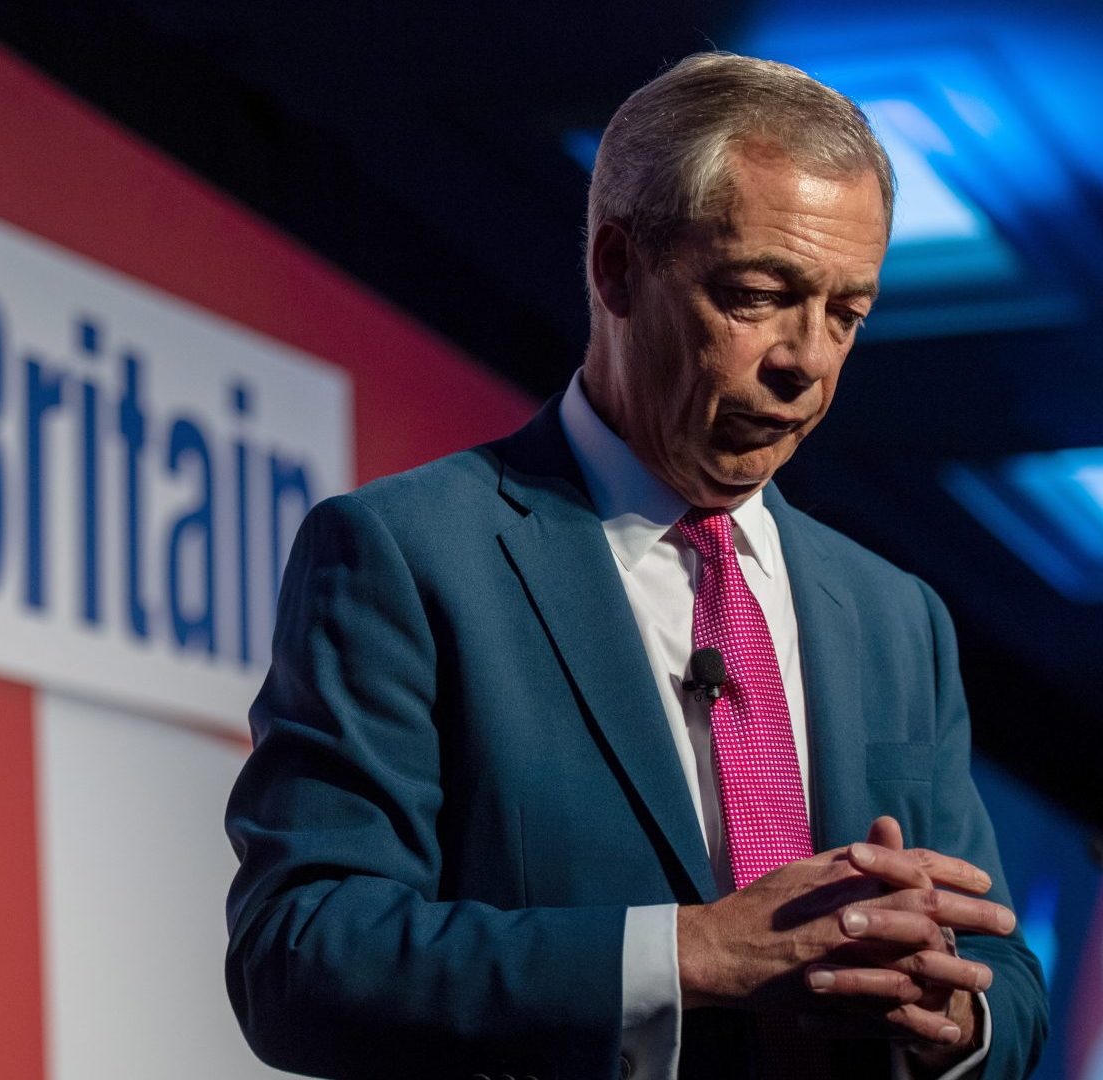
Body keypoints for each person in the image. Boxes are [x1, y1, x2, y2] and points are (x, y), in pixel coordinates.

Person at [225, 52, 1047, 1080]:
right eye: (757, 295)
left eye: (847, 314)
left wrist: (954, 1022)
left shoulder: (895, 616)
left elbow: (1003, 970)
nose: (809, 361)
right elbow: (299, 958)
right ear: (616, 269)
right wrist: (690, 953)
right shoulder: (408, 553)